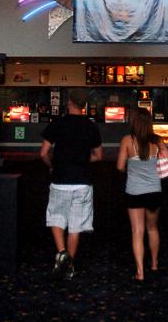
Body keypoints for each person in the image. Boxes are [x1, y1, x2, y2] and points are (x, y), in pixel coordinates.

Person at [39, 88, 102, 281]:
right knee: (76, 226)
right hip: (82, 182)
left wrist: (52, 165)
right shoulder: (91, 126)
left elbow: (43, 153)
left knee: (56, 218)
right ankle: (69, 265)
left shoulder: (57, 123)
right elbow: (98, 156)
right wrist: (83, 161)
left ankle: (61, 253)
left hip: (60, 180)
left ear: (69, 103)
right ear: (84, 106)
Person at [116, 107, 168, 282]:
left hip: (134, 192)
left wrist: (130, 167)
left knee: (137, 231)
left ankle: (140, 271)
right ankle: (154, 264)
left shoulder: (127, 140)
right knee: (152, 228)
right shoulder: (157, 141)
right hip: (154, 191)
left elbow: (119, 166)